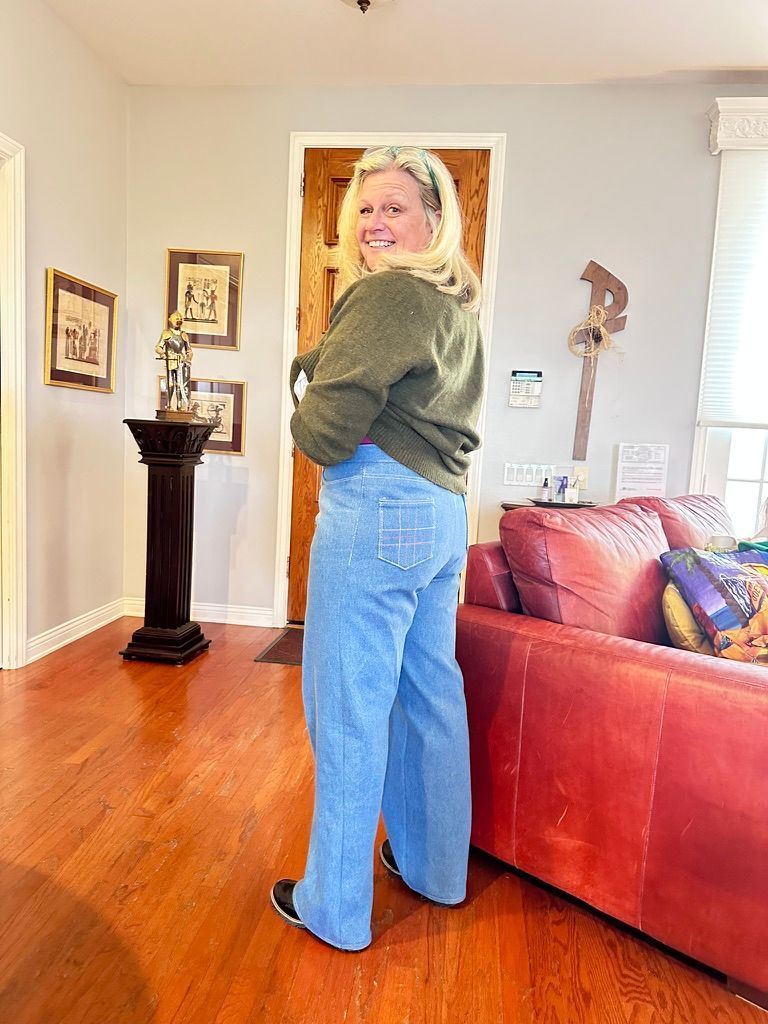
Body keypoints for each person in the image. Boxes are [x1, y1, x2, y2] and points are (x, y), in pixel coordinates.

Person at [270, 146, 485, 951]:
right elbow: (332, 375)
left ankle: (333, 905)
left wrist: (307, 403)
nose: (374, 223)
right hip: (437, 518)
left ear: (435, 220)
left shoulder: (386, 296)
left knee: (349, 709)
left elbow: (324, 430)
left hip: (377, 510)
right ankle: (434, 869)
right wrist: (321, 372)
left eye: (394, 207)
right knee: (430, 694)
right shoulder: (453, 309)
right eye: (363, 209)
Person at [155, 310, 192, 411]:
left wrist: (188, 359)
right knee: (170, 382)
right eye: (177, 319)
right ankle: (169, 404)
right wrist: (162, 354)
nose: (178, 321)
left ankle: (180, 405)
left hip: (181, 361)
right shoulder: (166, 333)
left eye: (180, 319)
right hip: (171, 359)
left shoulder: (184, 335)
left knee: (180, 383)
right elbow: (158, 347)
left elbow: (189, 350)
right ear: (171, 320)